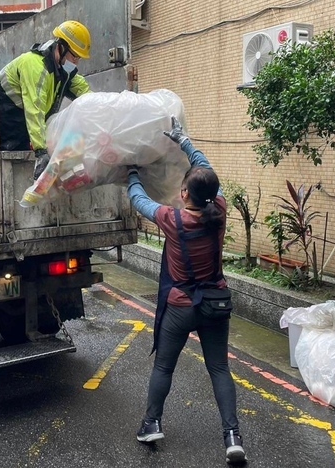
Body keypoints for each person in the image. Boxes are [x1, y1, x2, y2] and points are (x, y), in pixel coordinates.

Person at [126, 117, 246, 465]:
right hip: (215, 303)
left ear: (183, 194)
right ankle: (232, 437)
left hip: (180, 306)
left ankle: (151, 424)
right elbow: (206, 169)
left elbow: (138, 199)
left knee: (164, 367)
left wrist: (131, 170)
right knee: (220, 369)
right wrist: (185, 142)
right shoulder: (219, 210)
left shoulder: (172, 219)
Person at [0, 20, 92, 179]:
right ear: (62, 47)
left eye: (79, 58)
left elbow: (84, 90)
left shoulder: (62, 69)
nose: (76, 61)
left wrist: (103, 108)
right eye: (75, 55)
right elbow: (35, 110)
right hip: (9, 124)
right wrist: (41, 151)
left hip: (25, 127)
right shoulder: (36, 67)